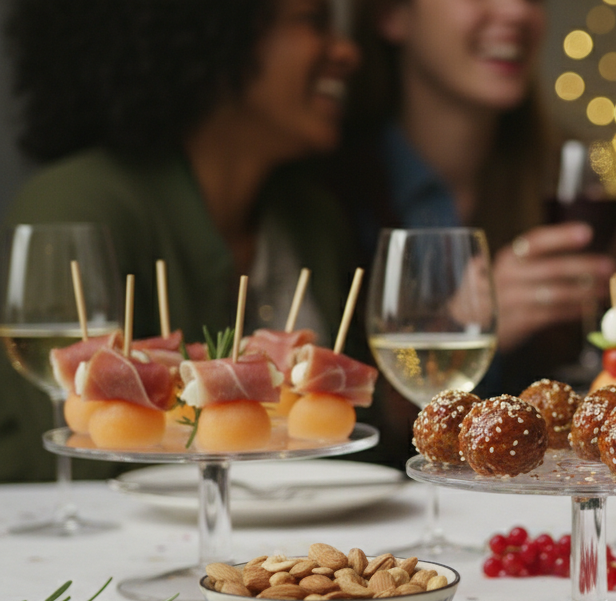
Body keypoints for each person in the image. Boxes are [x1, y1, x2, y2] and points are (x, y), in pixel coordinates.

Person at [1, 0, 362, 482]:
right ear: (218, 34)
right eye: (313, 22)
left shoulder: (312, 218)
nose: (347, 53)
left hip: (283, 545)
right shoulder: (76, 205)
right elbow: (73, 461)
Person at [330, 0, 616, 403]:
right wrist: (459, 327)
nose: (517, 11)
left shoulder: (563, 176)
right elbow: (338, 415)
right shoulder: (326, 188)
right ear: (391, 14)